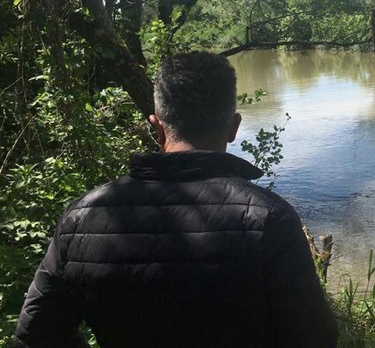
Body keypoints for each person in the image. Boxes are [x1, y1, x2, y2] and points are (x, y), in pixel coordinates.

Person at [14, 51, 337, 347]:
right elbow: (313, 338)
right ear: (233, 127)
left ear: (156, 127)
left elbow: (37, 330)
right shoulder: (268, 219)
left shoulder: (83, 216)